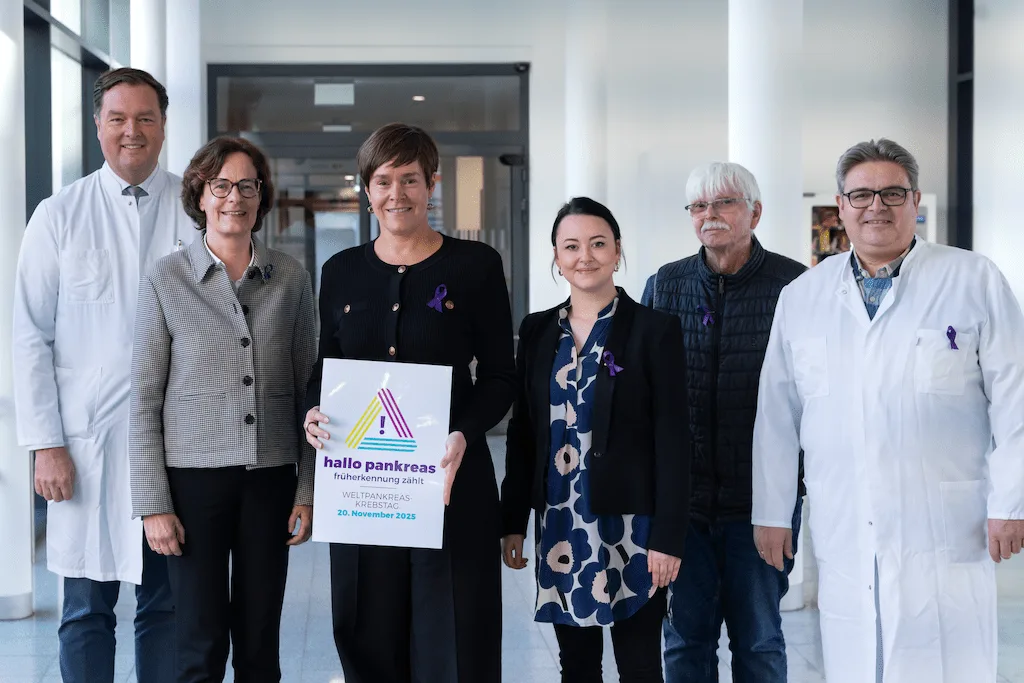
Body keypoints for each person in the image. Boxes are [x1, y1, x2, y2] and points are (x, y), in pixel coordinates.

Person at [753, 138, 1024, 683]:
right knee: (857, 656)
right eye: (861, 195)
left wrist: (1011, 500)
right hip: (845, 518)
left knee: (950, 661)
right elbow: (777, 414)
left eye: (892, 193)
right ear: (841, 205)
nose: (876, 205)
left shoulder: (973, 280)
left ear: (915, 200)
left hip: (946, 523)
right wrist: (772, 510)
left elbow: (1016, 396)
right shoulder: (803, 296)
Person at [301, 122, 516, 683]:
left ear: (432, 184)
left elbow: (499, 377)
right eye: (383, 180)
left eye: (410, 180)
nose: (397, 194)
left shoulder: (476, 266)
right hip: (364, 483)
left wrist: (465, 431)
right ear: (366, 189)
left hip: (452, 479)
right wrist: (312, 413)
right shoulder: (340, 271)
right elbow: (324, 369)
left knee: (456, 637)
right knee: (367, 630)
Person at [12, 67, 193, 683]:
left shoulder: (194, 209)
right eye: (117, 119)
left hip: (176, 448)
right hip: (86, 447)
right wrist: (46, 445)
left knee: (166, 606)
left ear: (164, 127)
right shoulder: (59, 214)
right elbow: (29, 336)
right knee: (86, 610)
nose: (131, 131)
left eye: (145, 118)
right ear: (98, 128)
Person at [129, 135, 316, 681]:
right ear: (200, 195)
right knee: (198, 641)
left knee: (260, 639)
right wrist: (152, 505)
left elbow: (311, 389)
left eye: (248, 186)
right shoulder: (167, 277)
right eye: (221, 186)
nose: (235, 198)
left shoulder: (290, 276)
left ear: (261, 197)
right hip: (192, 486)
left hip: (272, 477)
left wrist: (307, 489)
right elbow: (143, 396)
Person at [502, 197, 691, 683]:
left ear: (617, 251)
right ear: (556, 257)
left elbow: (674, 440)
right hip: (561, 523)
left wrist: (668, 538)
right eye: (571, 246)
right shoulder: (538, 330)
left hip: (635, 529)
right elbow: (524, 434)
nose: (584, 256)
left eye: (597, 243)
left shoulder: (655, 330)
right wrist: (513, 522)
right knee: (577, 666)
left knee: (641, 664)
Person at [640, 163, 806, 683]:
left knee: (758, 640)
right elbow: (643, 395)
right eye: (699, 206)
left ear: (755, 212)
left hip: (761, 507)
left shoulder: (796, 286)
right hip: (683, 509)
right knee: (685, 641)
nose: (710, 215)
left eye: (724, 203)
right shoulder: (665, 286)